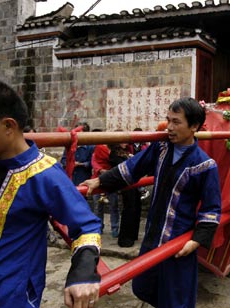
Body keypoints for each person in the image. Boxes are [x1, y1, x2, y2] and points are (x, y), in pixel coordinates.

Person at [0, 79, 102, 308]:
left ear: (8, 126)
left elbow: (86, 226)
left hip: (12, 297)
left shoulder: (43, 174)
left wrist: (83, 274)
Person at [80, 97, 221, 308]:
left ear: (194, 126)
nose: (169, 128)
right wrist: (100, 180)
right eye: (168, 120)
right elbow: (132, 168)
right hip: (153, 235)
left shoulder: (205, 165)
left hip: (178, 241)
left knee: (176, 297)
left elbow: (211, 209)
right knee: (146, 286)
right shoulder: (161, 148)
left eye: (176, 122)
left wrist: (196, 241)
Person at [108, 140, 141, 247]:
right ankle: (125, 238)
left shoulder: (126, 152)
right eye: (123, 142)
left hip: (133, 182)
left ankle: (133, 235)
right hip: (125, 184)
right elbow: (121, 167)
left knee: (136, 207)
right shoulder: (114, 154)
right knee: (129, 209)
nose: (126, 144)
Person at [91, 140, 120, 238]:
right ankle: (99, 227)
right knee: (97, 206)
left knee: (114, 205)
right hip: (97, 179)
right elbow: (94, 161)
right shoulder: (98, 149)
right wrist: (100, 170)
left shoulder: (116, 151)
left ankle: (115, 228)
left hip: (111, 179)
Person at [60, 122, 95, 186]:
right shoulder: (70, 146)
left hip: (83, 177)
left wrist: (80, 164)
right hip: (70, 177)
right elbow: (63, 159)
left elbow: (92, 162)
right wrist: (69, 163)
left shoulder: (91, 147)